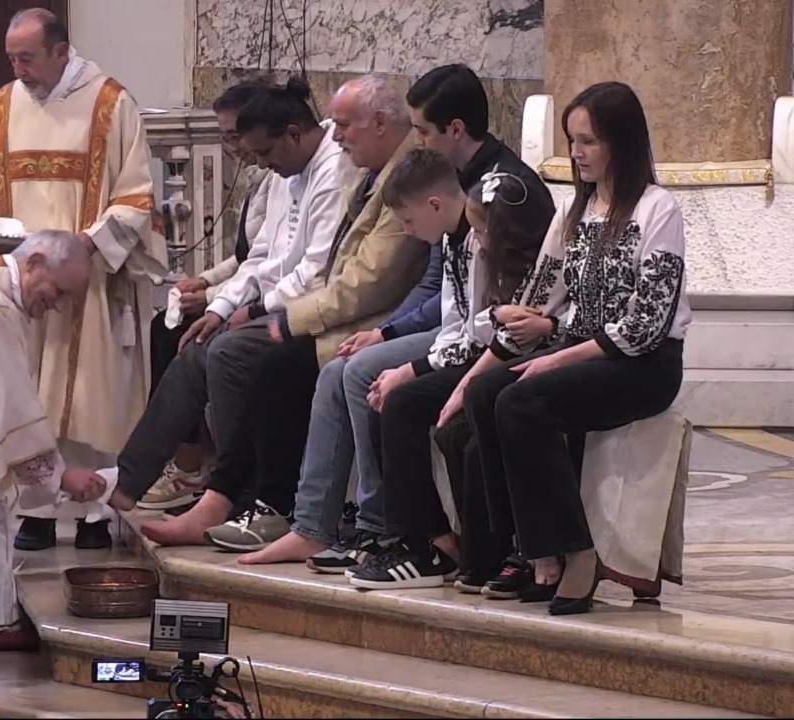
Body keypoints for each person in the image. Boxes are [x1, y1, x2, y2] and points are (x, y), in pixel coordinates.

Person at [296, 63, 553, 575]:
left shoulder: (495, 200)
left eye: (422, 130)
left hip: (515, 345)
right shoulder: (457, 203)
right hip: (470, 338)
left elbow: (496, 316)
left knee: (396, 393)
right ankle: (395, 530)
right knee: (371, 378)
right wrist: (399, 345)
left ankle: (418, 538)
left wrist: (415, 368)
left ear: (455, 129)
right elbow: (456, 307)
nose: (414, 140)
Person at [458, 81, 691, 616]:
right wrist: (509, 318)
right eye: (572, 141)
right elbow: (541, 298)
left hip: (643, 365)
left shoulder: (659, 210)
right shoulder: (574, 212)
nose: (577, 154)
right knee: (485, 393)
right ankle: (527, 546)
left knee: (521, 399)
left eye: (588, 142)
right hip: (580, 350)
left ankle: (572, 552)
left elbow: (644, 328)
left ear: (621, 144)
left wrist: (556, 355)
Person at [176, 75, 432, 555]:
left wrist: (291, 318)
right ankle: (228, 494)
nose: (336, 136)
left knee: (269, 358)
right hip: (343, 307)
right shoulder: (372, 170)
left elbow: (374, 280)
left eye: (343, 125)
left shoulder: (406, 174)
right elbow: (288, 259)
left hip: (379, 315)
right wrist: (230, 298)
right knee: (231, 346)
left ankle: (273, 505)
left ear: (380, 124)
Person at [0, 8, 168, 551]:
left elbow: (135, 197)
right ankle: (36, 510)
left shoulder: (110, 104)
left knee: (91, 395)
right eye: (11, 58)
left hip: (89, 278)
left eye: (26, 58)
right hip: (22, 280)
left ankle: (95, 513)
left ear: (59, 50)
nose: (17, 69)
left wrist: (84, 246)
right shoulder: (1, 108)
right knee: (23, 387)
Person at [107, 77, 344, 543]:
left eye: (265, 153)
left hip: (316, 308)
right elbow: (262, 257)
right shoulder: (287, 171)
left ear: (294, 134)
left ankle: (240, 494)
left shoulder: (332, 171)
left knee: (226, 352)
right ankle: (132, 480)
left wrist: (255, 310)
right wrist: (222, 305)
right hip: (277, 301)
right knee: (198, 339)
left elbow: (316, 270)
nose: (261, 165)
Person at [336, 147, 553, 591]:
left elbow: (486, 331)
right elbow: (459, 324)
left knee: (410, 403)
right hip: (481, 351)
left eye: (410, 222)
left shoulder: (492, 240)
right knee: (389, 395)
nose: (409, 233)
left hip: (511, 355)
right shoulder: (461, 239)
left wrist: (413, 371)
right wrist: (415, 367)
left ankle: (437, 546)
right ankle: (423, 538)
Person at [0, 230, 110, 651]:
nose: (58, 305)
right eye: (58, 291)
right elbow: (6, 402)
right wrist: (57, 476)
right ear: (32, 263)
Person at [139, 80, 273, 512]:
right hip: (247, 287)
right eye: (226, 136)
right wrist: (205, 280)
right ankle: (188, 462)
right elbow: (245, 256)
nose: (233, 146)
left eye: (236, 135)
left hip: (273, 300)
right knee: (165, 325)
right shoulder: (258, 175)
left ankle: (205, 470)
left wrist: (215, 297)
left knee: (197, 340)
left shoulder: (280, 178)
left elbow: (271, 263)